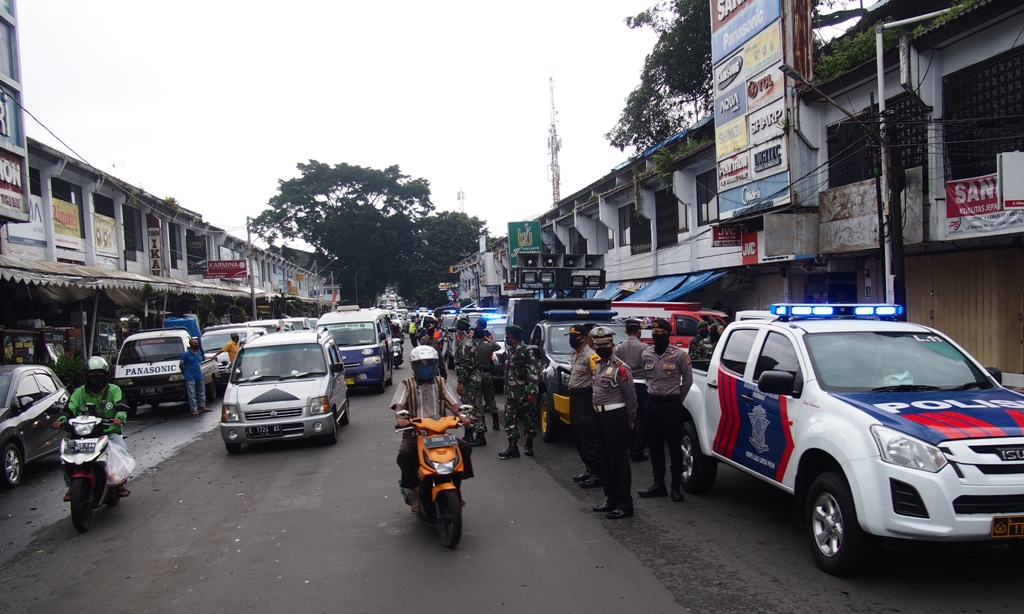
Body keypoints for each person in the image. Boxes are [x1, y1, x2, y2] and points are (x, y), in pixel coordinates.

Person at [391, 345, 474, 514]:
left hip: (439, 434)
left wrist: (461, 416)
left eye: (429, 363)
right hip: (415, 433)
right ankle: (414, 493)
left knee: (464, 448)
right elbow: (399, 405)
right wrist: (400, 418)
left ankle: (456, 488)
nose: (426, 367)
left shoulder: (441, 383)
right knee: (405, 455)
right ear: (414, 366)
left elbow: (453, 404)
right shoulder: (406, 384)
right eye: (421, 364)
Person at [53, 356, 132, 500]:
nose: (96, 377)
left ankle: (119, 483)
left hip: (108, 433)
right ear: (86, 376)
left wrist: (119, 418)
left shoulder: (114, 390)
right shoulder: (79, 393)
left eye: (100, 374)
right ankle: (71, 486)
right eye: (92, 374)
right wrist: (61, 420)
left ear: (106, 375)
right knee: (65, 456)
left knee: (122, 451)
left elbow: (121, 406)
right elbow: (69, 409)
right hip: (82, 434)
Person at [639, 318, 694, 503]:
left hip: (672, 405)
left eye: (662, 334)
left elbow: (687, 381)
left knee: (674, 447)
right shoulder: (646, 354)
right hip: (652, 404)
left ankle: (675, 487)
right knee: (655, 446)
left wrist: (677, 399)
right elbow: (647, 377)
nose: (658, 336)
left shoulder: (679, 355)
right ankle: (658, 484)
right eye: (655, 334)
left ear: (669, 335)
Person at [589, 327, 638, 520]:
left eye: (605, 344)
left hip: (616, 417)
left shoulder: (621, 367)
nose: (601, 347)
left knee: (618, 462)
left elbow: (631, 397)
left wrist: (631, 420)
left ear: (612, 345)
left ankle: (625, 504)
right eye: (598, 344)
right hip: (601, 417)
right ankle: (611, 498)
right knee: (606, 460)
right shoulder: (599, 365)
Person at [567, 323, 602, 489]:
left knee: (588, 436)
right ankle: (588, 468)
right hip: (574, 398)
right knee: (578, 435)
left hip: (586, 398)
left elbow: (597, 380)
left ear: (583, 337)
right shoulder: (575, 353)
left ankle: (597, 472)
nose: (572, 340)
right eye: (571, 337)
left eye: (575, 337)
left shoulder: (591, 356)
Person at [498, 324, 539, 459]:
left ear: (512, 336)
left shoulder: (526, 351)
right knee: (510, 420)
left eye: (507, 335)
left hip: (523, 393)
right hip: (510, 393)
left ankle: (529, 445)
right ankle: (512, 447)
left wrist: (532, 392)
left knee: (528, 420)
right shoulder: (510, 351)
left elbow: (532, 371)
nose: (506, 337)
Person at [615, 319, 649, 462]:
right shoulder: (645, 347)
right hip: (641, 384)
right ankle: (638, 450)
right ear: (639, 331)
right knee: (640, 418)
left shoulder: (619, 348)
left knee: (627, 416)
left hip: (624, 384)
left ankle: (628, 446)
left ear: (625, 331)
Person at [454, 318, 487, 446]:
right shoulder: (471, 342)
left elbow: (465, 365)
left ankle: (478, 436)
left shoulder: (465, 345)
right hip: (475, 378)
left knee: (470, 408)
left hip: (469, 380)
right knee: (473, 407)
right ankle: (469, 435)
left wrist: (461, 382)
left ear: (459, 331)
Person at [474, 324, 502, 431]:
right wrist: (488, 339)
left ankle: (482, 424)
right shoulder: (488, 346)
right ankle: (496, 422)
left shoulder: (472, 346)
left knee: (478, 400)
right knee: (490, 398)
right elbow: (498, 346)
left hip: (476, 375)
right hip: (487, 374)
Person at [179, 337, 209, 415]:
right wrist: (185, 373)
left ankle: (202, 406)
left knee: (201, 392)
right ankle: (194, 409)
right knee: (192, 394)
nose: (197, 345)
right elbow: (181, 365)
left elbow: (200, 362)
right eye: (195, 344)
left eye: (197, 343)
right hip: (190, 376)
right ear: (191, 345)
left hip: (199, 375)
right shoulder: (186, 354)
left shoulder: (198, 353)